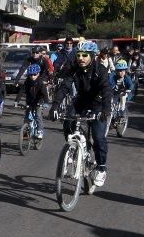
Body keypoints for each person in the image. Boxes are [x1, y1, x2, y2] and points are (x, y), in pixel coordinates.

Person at [50, 40, 112, 187]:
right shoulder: (74, 69)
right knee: (67, 121)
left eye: (85, 55)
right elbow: (65, 87)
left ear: (92, 56)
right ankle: (72, 148)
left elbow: (106, 90)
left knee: (98, 137)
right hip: (81, 101)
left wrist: (106, 110)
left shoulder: (100, 70)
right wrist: (55, 106)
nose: (81, 58)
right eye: (78, 55)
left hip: (98, 104)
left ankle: (102, 168)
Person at [23, 63, 50, 139]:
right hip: (30, 101)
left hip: (39, 101)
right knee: (26, 117)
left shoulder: (40, 82)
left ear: (38, 74)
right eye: (30, 75)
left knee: (38, 116)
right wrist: (16, 101)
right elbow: (22, 90)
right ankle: (26, 131)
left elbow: (45, 94)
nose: (32, 76)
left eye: (34, 74)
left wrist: (46, 103)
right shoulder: (27, 81)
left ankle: (39, 131)